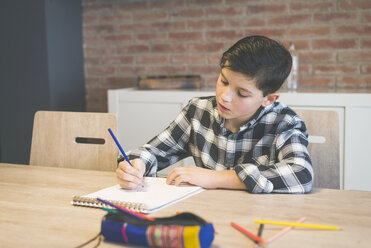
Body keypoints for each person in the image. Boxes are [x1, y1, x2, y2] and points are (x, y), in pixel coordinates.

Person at [116, 35, 313, 193]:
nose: (224, 97)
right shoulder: (198, 111)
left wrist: (213, 178)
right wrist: (135, 165)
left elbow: (301, 174)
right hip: (206, 214)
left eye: (242, 93)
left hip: (256, 219)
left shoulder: (284, 123)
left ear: (268, 99)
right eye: (224, 81)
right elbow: (154, 152)